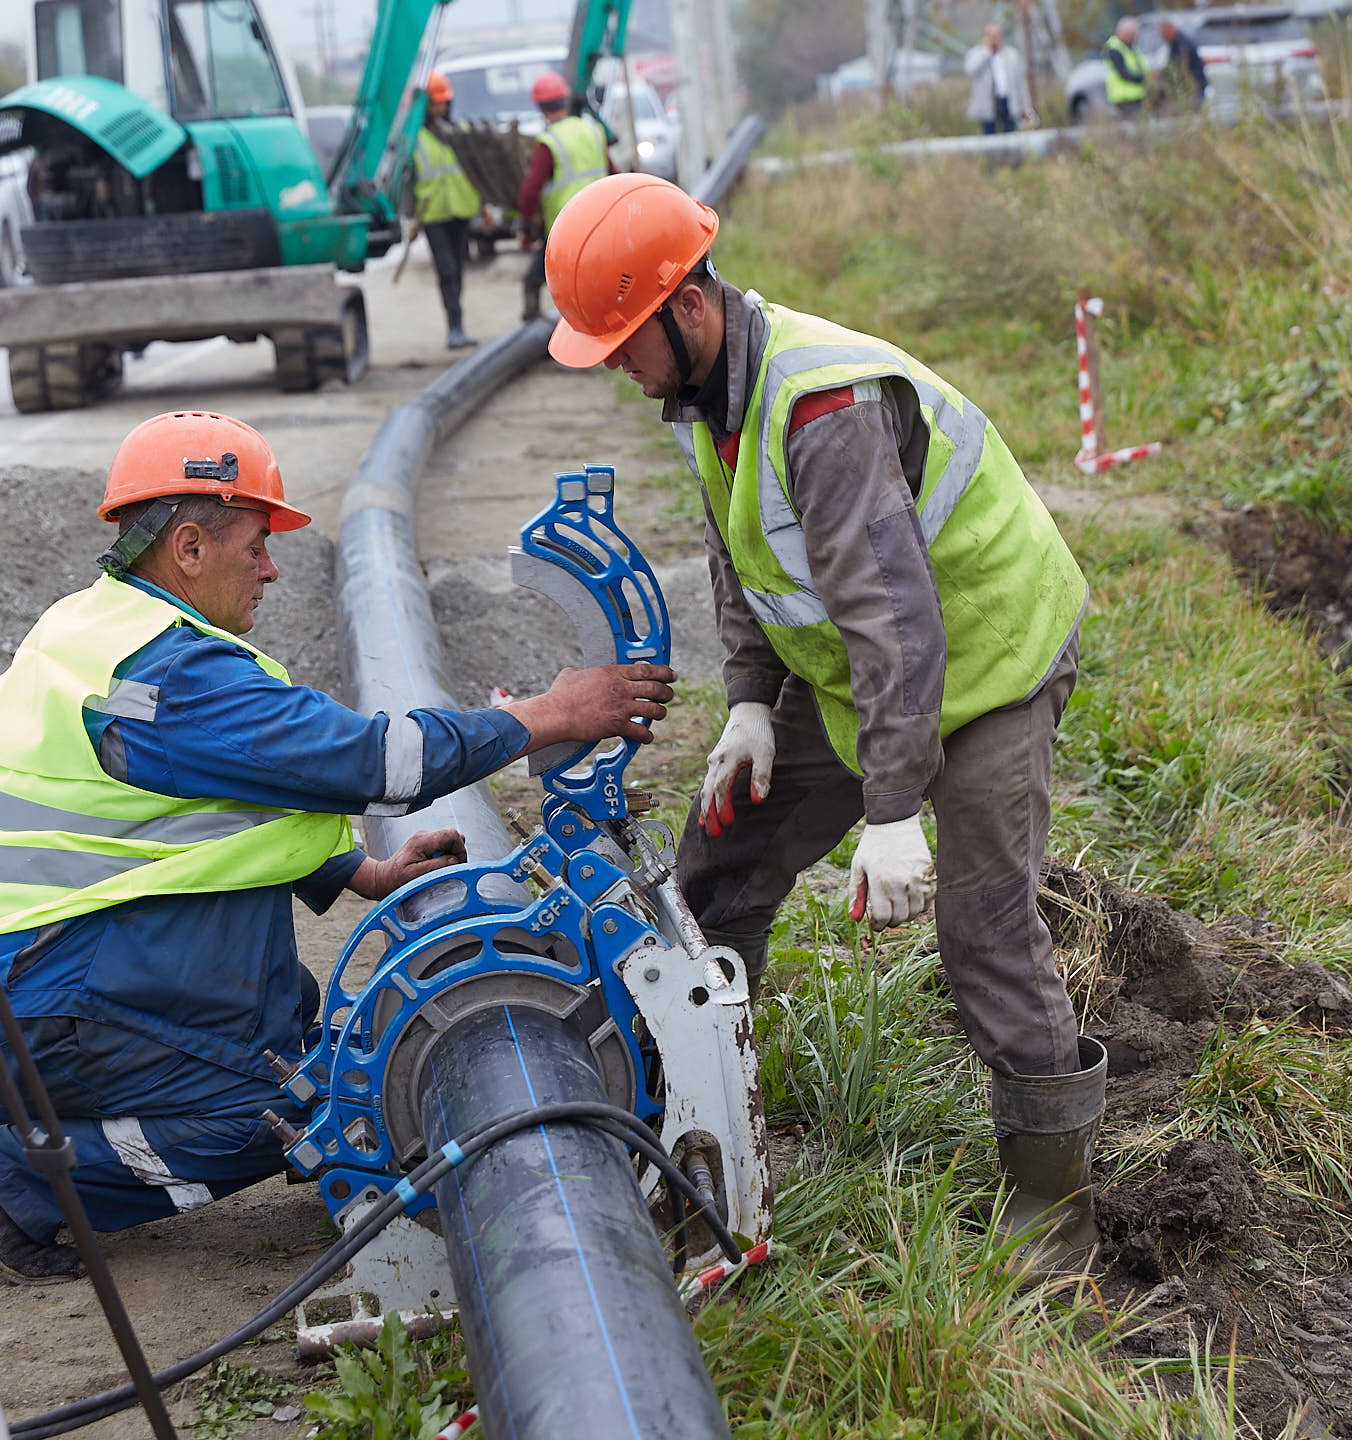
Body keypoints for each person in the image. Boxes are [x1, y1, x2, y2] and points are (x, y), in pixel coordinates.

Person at [543, 174, 1108, 1266]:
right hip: (867, 672)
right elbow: (742, 557)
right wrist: (750, 704)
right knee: (719, 861)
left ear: (688, 308)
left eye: (622, 340)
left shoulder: (821, 407)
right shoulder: (708, 398)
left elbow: (895, 620)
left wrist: (895, 813)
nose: (616, 366)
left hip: (986, 659)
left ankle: (1057, 1218)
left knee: (985, 929)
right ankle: (712, 1129)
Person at [0, 411, 676, 1282]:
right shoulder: (170, 677)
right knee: (301, 1107)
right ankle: (23, 1182)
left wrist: (366, 870)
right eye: (258, 544)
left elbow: (185, 806)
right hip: (52, 1000)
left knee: (293, 1021)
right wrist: (545, 715)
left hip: (46, 969)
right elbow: (374, 761)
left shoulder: (92, 629)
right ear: (191, 546)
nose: (275, 567)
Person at [518, 72, 613, 323]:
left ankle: (538, 326)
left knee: (542, 278)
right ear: (564, 99)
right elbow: (614, 173)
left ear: (540, 107)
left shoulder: (548, 142)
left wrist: (526, 225)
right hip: (602, 219)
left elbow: (530, 190)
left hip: (566, 226)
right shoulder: (593, 131)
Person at [408, 70, 483, 350]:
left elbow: (475, 172)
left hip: (460, 210)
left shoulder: (457, 132)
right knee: (447, 270)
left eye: (443, 102)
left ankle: (459, 325)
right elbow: (407, 182)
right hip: (433, 214)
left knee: (459, 269)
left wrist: (482, 206)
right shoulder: (413, 140)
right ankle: (454, 327)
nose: (440, 108)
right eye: (435, 103)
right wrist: (411, 220)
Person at [965, 23, 1034, 134]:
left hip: (1008, 100)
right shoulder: (977, 53)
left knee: (1011, 132)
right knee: (989, 133)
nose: (994, 39)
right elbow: (970, 69)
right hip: (988, 102)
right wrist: (986, 51)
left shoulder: (1011, 55)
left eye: (996, 36)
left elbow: (1020, 83)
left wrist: (1026, 107)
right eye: (990, 36)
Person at [1103, 15, 1150, 117]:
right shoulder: (1114, 48)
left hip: (1137, 94)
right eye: (1133, 34)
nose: (1135, 37)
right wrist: (1142, 78)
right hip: (1123, 97)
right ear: (1124, 32)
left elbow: (1140, 66)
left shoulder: (1131, 47)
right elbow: (1123, 72)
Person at [1158, 17, 1207, 111]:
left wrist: (1162, 75)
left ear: (1170, 30)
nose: (1162, 38)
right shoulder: (1175, 43)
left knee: (1193, 112)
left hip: (1194, 86)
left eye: (1163, 34)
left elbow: (1178, 67)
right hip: (1189, 87)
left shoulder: (1182, 44)